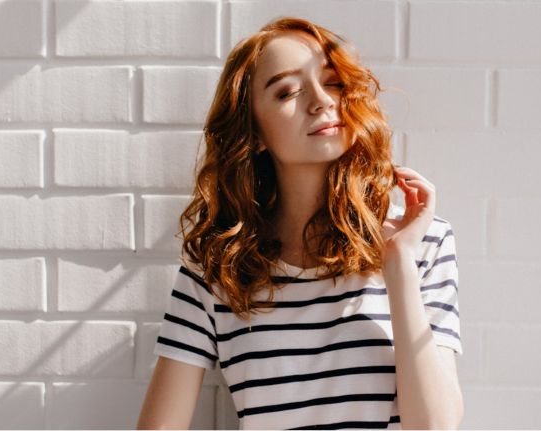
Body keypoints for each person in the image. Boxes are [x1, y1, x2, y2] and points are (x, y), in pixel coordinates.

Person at [136, 17, 464, 430]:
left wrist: (398, 263)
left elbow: (436, 427)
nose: (321, 101)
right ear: (254, 132)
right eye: (288, 91)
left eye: (333, 82)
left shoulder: (422, 240)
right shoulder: (216, 268)